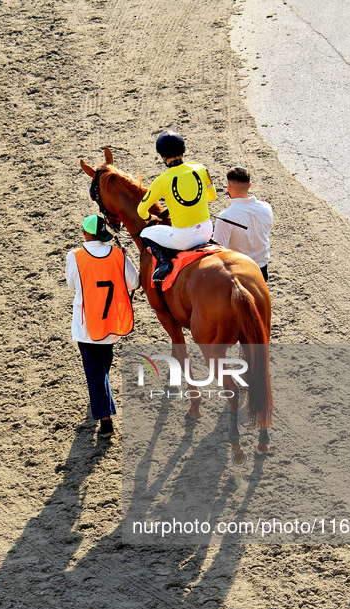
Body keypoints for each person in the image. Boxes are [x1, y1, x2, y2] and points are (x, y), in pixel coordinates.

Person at [65, 214, 139, 438]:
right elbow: (134, 282)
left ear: (85, 233)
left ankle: (105, 420)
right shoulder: (118, 254)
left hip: (86, 324)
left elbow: (71, 285)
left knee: (95, 370)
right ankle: (100, 400)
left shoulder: (74, 256)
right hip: (111, 324)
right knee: (103, 364)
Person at [137, 130, 217, 282]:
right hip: (207, 230)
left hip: (184, 238)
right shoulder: (200, 168)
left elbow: (141, 210)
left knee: (144, 234)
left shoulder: (162, 180)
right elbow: (212, 196)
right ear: (183, 150)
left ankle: (165, 262)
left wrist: (150, 217)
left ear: (163, 157)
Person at [213, 166, 273, 282]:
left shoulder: (225, 216)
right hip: (261, 269)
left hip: (239, 272)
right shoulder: (266, 208)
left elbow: (219, 252)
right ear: (249, 186)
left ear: (228, 187)